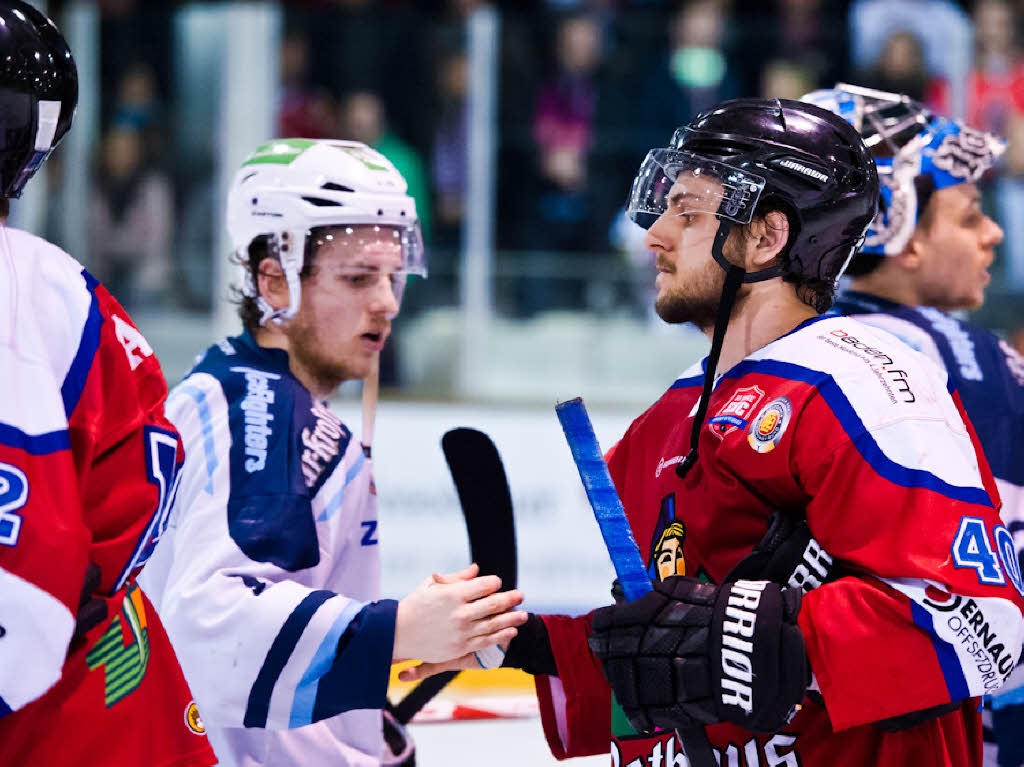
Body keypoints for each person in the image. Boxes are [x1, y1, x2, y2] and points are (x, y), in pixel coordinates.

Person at [401, 98, 1024, 767]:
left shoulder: (864, 385)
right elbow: (665, 673)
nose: (655, 234)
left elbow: (981, 625)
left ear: (766, 238)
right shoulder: (661, 424)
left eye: (689, 211)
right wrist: (526, 648)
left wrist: (777, 644)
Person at [138, 138, 527, 767]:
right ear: (274, 280)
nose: (388, 302)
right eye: (357, 277)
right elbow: (209, 621)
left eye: (393, 275)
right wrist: (396, 630)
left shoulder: (243, 391)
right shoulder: (262, 412)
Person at [0, 3, 215, 766]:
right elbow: (143, 480)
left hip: (64, 705)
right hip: (105, 679)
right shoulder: (69, 291)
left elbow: (25, 587)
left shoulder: (41, 296)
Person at [805, 83, 1024, 767]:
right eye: (970, 216)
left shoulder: (776, 350)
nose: (992, 233)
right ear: (895, 229)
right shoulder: (962, 356)